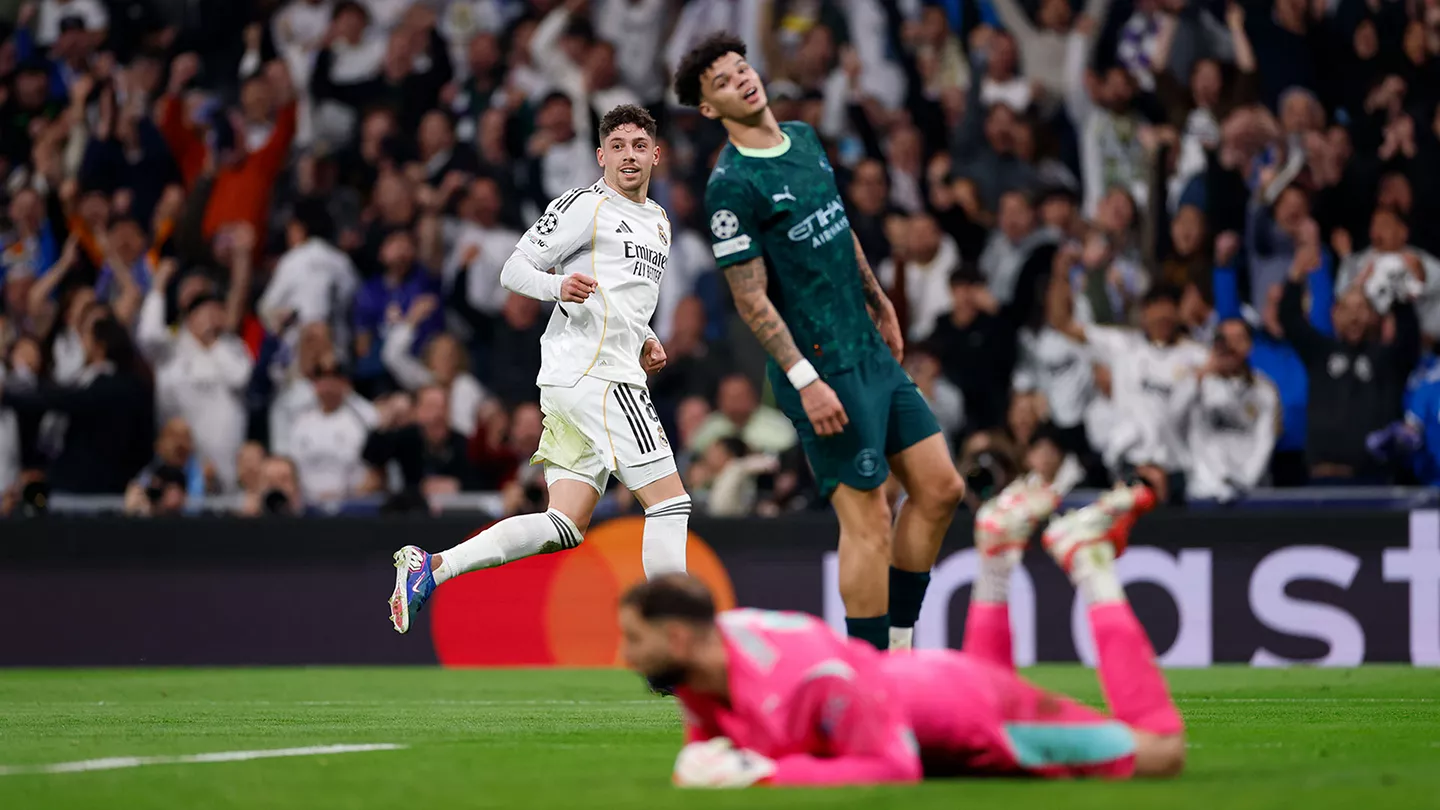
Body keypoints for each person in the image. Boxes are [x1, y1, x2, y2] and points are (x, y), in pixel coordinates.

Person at [674, 33, 965, 652]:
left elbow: (836, 222)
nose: (741, 81)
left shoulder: (803, 139)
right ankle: (874, 668)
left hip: (868, 349)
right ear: (709, 110)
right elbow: (751, 299)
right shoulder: (731, 187)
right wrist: (805, 381)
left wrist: (877, 296)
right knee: (868, 525)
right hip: (823, 369)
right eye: (721, 83)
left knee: (942, 489)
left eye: (740, 69)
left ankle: (900, 642)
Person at [618, 484, 1183, 789]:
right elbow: (711, 748)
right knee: (993, 682)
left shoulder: (810, 679)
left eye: (634, 641)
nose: (624, 658)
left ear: (678, 638)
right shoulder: (702, 665)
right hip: (921, 687)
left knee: (1161, 749)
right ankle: (997, 554)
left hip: (964, 711)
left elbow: (895, 768)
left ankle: (1089, 565)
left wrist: (768, 775)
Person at [389, 105, 690, 634]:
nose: (628, 155)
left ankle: (431, 568)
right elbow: (513, 268)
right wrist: (556, 287)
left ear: (655, 155)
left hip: (594, 375)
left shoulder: (659, 223)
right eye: (617, 145)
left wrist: (645, 336)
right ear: (601, 156)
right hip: (596, 377)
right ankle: (677, 641)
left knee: (565, 524)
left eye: (638, 146)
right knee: (671, 503)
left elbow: (622, 298)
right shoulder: (585, 205)